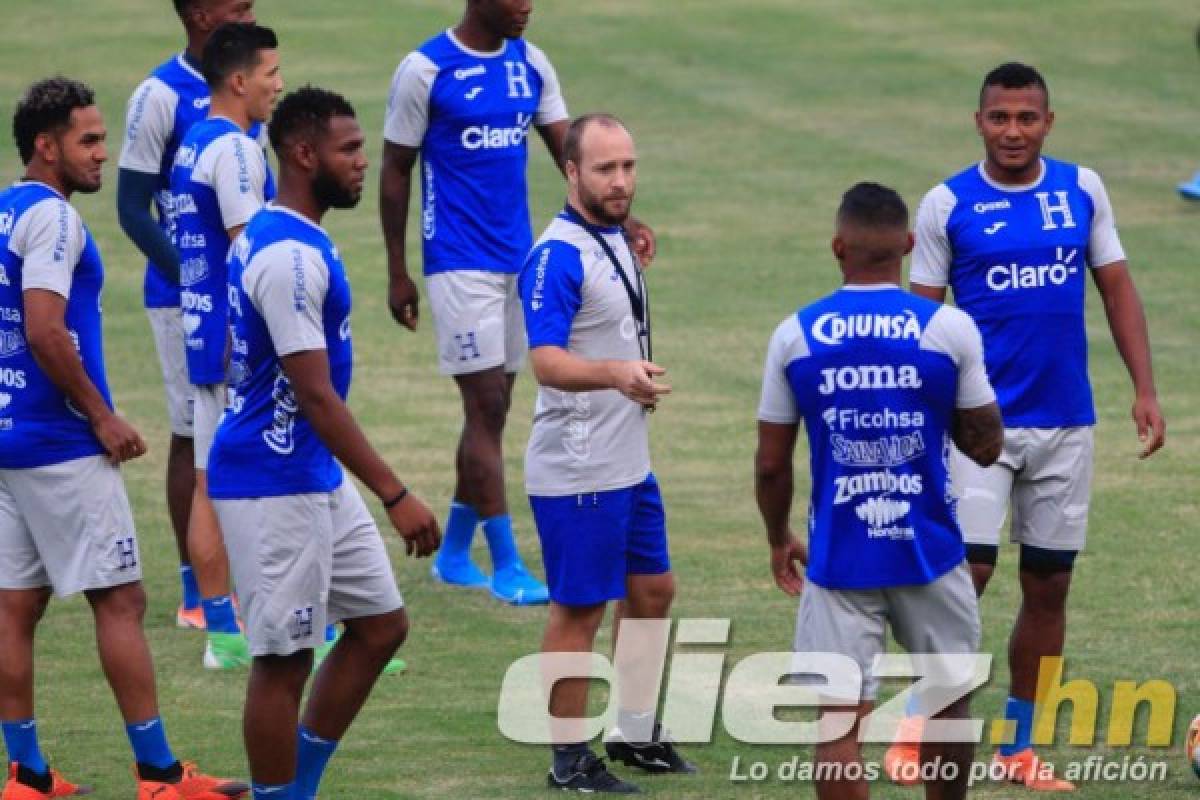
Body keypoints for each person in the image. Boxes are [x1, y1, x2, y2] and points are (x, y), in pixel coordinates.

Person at [885, 62, 1166, 791]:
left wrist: (1145, 389)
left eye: (1027, 118)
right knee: (966, 575)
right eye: (1000, 117)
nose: (1014, 130)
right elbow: (923, 320)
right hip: (978, 428)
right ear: (977, 121)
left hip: (1067, 423)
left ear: (1049, 122)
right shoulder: (947, 204)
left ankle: (1016, 748)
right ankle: (916, 724)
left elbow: (1117, 288)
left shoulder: (1082, 190)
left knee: (1048, 587)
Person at [0, 76, 248, 800]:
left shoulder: (4, 211)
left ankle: (26, 775)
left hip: (8, 440)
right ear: (45, 146)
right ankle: (161, 776)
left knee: (14, 608)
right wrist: (100, 415)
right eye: (88, 140)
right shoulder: (53, 221)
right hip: (59, 446)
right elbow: (46, 328)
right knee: (120, 602)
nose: (104, 154)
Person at [208, 86, 440, 800]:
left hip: (308, 475)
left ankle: (290, 787)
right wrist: (396, 494)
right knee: (282, 662)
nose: (364, 162)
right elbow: (315, 395)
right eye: (349, 149)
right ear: (304, 154)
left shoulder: (294, 237)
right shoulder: (287, 257)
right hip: (272, 483)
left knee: (379, 626)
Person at [380, 0, 654, 605]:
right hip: (456, 260)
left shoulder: (531, 64)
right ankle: (505, 563)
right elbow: (396, 168)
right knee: (485, 404)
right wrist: (399, 270)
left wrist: (623, 219)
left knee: (495, 406)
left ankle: (454, 553)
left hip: (519, 255)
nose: (527, 5)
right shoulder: (425, 70)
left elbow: (570, 154)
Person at [755, 182, 1003, 800]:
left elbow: (771, 465)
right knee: (949, 701)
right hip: (931, 551)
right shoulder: (948, 329)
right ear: (910, 245)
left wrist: (777, 536)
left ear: (837, 246)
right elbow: (986, 446)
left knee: (839, 720)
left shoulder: (796, 336)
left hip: (839, 555)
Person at [519, 113, 692, 794]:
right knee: (580, 609)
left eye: (628, 167)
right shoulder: (557, 255)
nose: (620, 181)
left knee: (653, 589)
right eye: (604, 169)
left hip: (626, 462)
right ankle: (568, 759)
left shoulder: (612, 235)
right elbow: (546, 359)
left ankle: (636, 729)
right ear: (570, 173)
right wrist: (618, 373)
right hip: (580, 467)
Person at [117, 0, 257, 632]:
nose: (250, 13)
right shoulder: (158, 95)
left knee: (232, 428)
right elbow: (132, 208)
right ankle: (195, 589)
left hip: (238, 292)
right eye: (239, 6)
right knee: (190, 434)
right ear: (202, 14)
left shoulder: (245, 84)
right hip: (183, 298)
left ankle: (234, 583)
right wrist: (200, 279)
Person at [168, 21, 280, 670]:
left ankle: (223, 632)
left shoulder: (193, 143)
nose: (278, 85)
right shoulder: (236, 152)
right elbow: (249, 251)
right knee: (255, 478)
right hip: (237, 341)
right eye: (270, 73)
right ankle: (255, 629)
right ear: (239, 80)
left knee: (212, 481)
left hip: (201, 333)